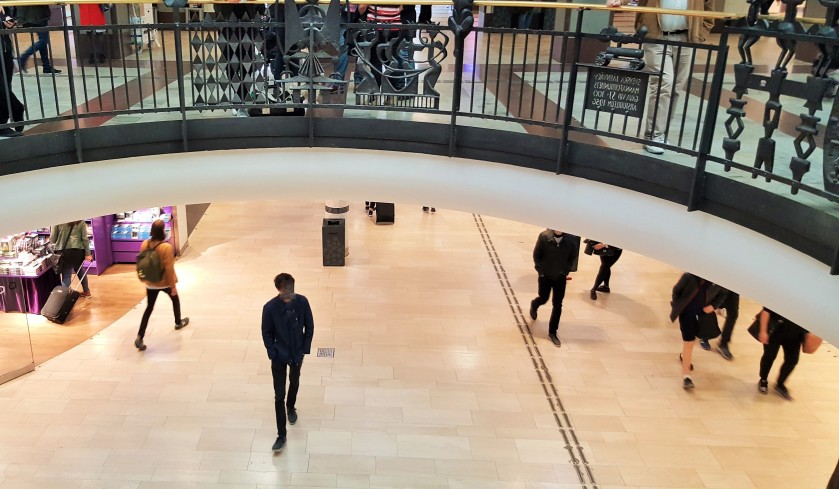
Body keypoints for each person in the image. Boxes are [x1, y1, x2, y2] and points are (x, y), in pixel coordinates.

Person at [606, 0, 713, 154]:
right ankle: (652, 136)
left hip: (687, 38)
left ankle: (661, 133)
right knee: (664, 83)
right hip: (656, 37)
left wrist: (700, 34)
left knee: (676, 87)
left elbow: (709, 10)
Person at [262, 273, 314, 452]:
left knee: (295, 381)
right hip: (279, 355)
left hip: (296, 352)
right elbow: (266, 333)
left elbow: (310, 326)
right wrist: (272, 351)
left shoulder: (302, 302)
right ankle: (281, 434)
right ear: (278, 289)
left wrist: (304, 350)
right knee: (278, 395)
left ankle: (291, 406)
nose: (289, 293)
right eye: (285, 289)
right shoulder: (269, 308)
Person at [134, 219, 189, 351]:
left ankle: (140, 336)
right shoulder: (166, 247)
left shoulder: (144, 244)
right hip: (163, 282)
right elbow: (169, 269)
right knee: (175, 300)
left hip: (150, 282)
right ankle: (178, 322)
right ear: (162, 231)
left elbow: (141, 262)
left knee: (149, 309)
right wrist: (173, 286)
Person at [669, 273, 726, 389]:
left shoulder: (716, 281)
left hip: (702, 316)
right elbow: (676, 290)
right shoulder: (689, 277)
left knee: (692, 341)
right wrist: (678, 306)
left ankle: (684, 355)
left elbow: (724, 293)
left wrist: (714, 306)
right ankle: (686, 377)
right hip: (687, 315)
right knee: (689, 342)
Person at [530, 229, 579, 347]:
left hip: (560, 277)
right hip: (545, 276)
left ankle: (552, 332)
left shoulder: (571, 240)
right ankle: (534, 305)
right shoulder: (544, 237)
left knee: (558, 304)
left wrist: (565, 271)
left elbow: (573, 257)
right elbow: (537, 255)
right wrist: (541, 272)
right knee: (543, 298)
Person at [756, 307, 807, 400]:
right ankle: (763, 379)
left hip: (795, 335)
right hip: (775, 331)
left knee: (792, 360)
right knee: (769, 356)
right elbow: (766, 311)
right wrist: (763, 331)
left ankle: (780, 383)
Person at [14, 5, 62, 74]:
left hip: (32, 14)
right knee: (44, 40)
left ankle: (46, 66)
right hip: (37, 14)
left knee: (43, 40)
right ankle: (23, 57)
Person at [50, 221, 93, 297]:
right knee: (80, 269)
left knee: (66, 275)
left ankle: (63, 298)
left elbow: (53, 239)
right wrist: (88, 253)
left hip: (64, 251)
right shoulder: (81, 221)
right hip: (78, 251)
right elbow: (85, 239)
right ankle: (87, 291)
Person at [0, 7, 25, 138]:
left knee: (6, 86)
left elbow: (7, 16)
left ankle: (3, 122)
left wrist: (8, 21)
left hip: (4, 49)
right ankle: (16, 109)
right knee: (2, 88)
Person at [715, 290, 739, 360]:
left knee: (733, 314)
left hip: (733, 288)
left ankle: (723, 343)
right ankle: (704, 336)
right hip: (717, 283)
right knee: (708, 306)